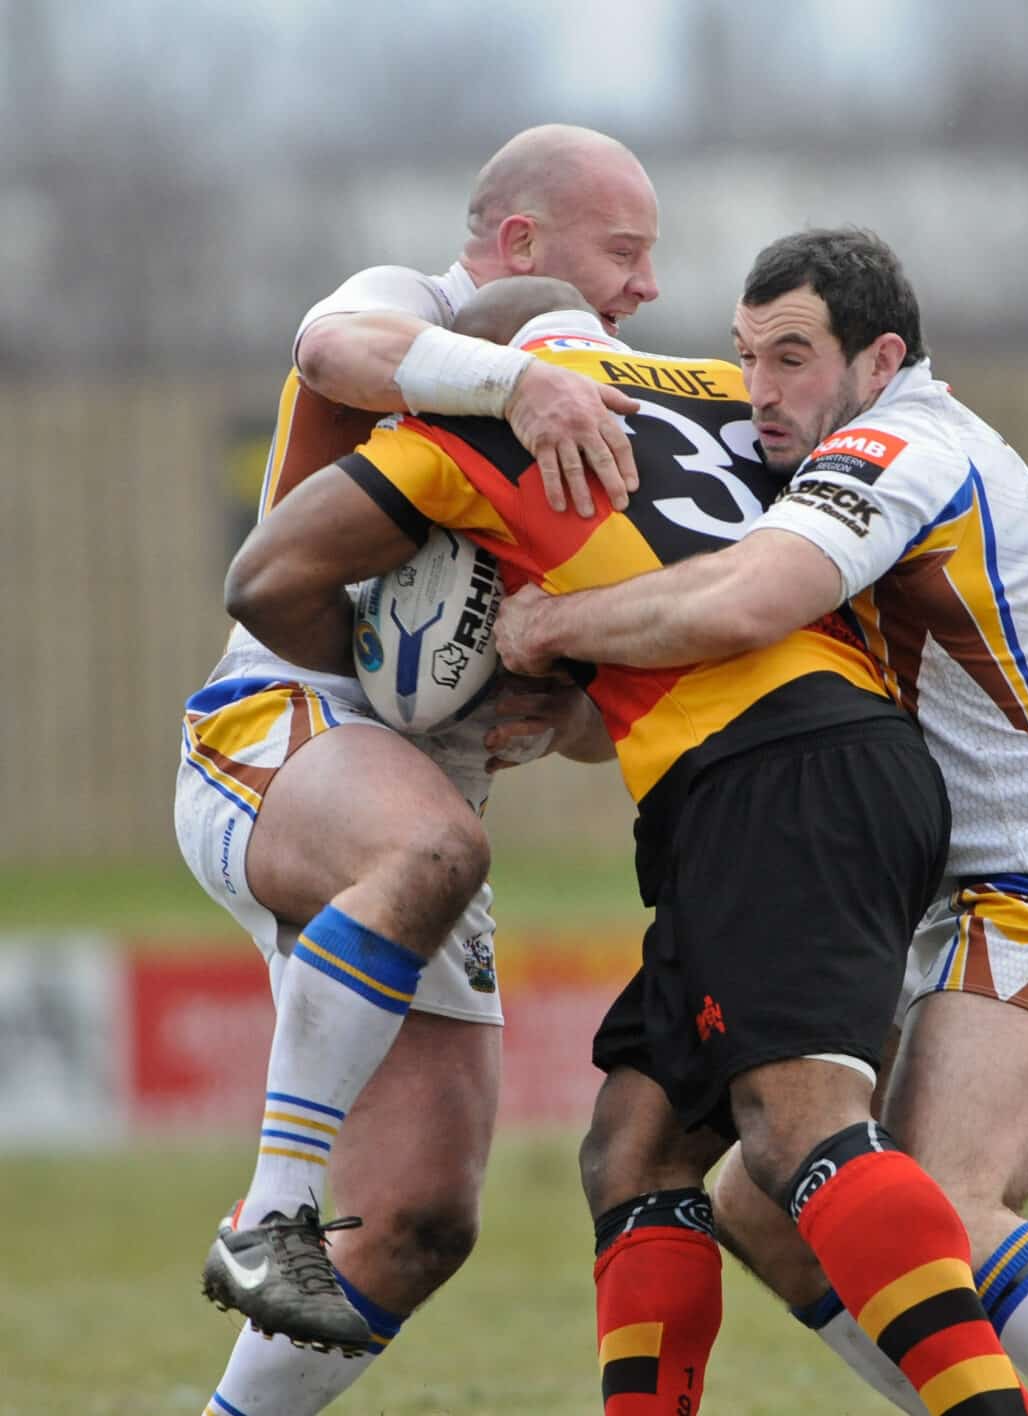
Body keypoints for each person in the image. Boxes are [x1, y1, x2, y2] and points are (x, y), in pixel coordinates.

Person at [225, 274, 1028, 1416]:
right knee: (635, 1149)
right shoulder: (732, 396)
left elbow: (262, 576)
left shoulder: (463, 429)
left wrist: (397, 686)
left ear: (482, 363)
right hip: (828, 770)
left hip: (771, 778)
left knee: (800, 1131)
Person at [495, 228, 1028, 1416]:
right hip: (947, 892)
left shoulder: (901, 446)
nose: (762, 393)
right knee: (766, 1210)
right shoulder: (852, 446)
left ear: (880, 358)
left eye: (792, 358)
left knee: (943, 1205)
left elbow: (747, 597)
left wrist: (557, 625)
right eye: (746, 357)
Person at [177, 125, 658, 1416]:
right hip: (275, 728)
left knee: (423, 1222)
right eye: (627, 251)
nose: (649, 287)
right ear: (519, 242)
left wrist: (547, 684)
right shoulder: (411, 308)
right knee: (433, 848)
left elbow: (602, 725)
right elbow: (328, 351)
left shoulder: (601, 412)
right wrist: (511, 387)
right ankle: (273, 1206)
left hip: (421, 794)